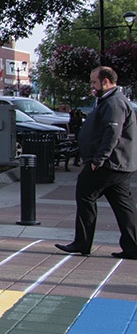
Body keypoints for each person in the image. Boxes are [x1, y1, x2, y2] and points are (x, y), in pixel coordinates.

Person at [55, 66, 137, 259]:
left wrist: (98, 159)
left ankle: (82, 242)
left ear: (106, 81)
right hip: (119, 164)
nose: (92, 86)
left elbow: (112, 132)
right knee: (123, 205)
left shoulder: (114, 102)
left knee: (85, 195)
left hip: (108, 164)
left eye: (94, 82)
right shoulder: (111, 100)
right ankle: (133, 246)